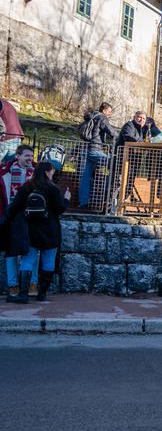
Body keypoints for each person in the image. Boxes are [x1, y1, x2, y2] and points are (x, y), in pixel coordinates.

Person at [2, 161, 69, 303]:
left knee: (27, 260)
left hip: (31, 231)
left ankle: (23, 295)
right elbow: (60, 209)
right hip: (51, 231)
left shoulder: (27, 187)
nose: (53, 173)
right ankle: (42, 294)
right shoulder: (54, 189)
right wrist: (66, 200)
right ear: (46, 172)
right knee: (48, 262)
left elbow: (14, 207)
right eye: (52, 171)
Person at [0, 144, 36, 298]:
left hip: (30, 217)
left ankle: (32, 284)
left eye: (32, 156)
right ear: (18, 156)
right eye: (27, 156)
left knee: (32, 251)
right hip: (10, 217)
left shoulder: (36, 174)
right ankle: (13, 285)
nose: (30, 159)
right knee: (11, 253)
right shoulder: (4, 173)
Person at [78, 102, 117, 210]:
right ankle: (108, 200)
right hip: (96, 149)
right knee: (115, 163)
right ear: (104, 110)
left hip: (88, 149)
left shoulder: (92, 116)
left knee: (85, 178)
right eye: (109, 112)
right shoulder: (102, 117)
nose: (110, 114)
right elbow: (112, 132)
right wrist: (120, 138)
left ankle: (83, 203)